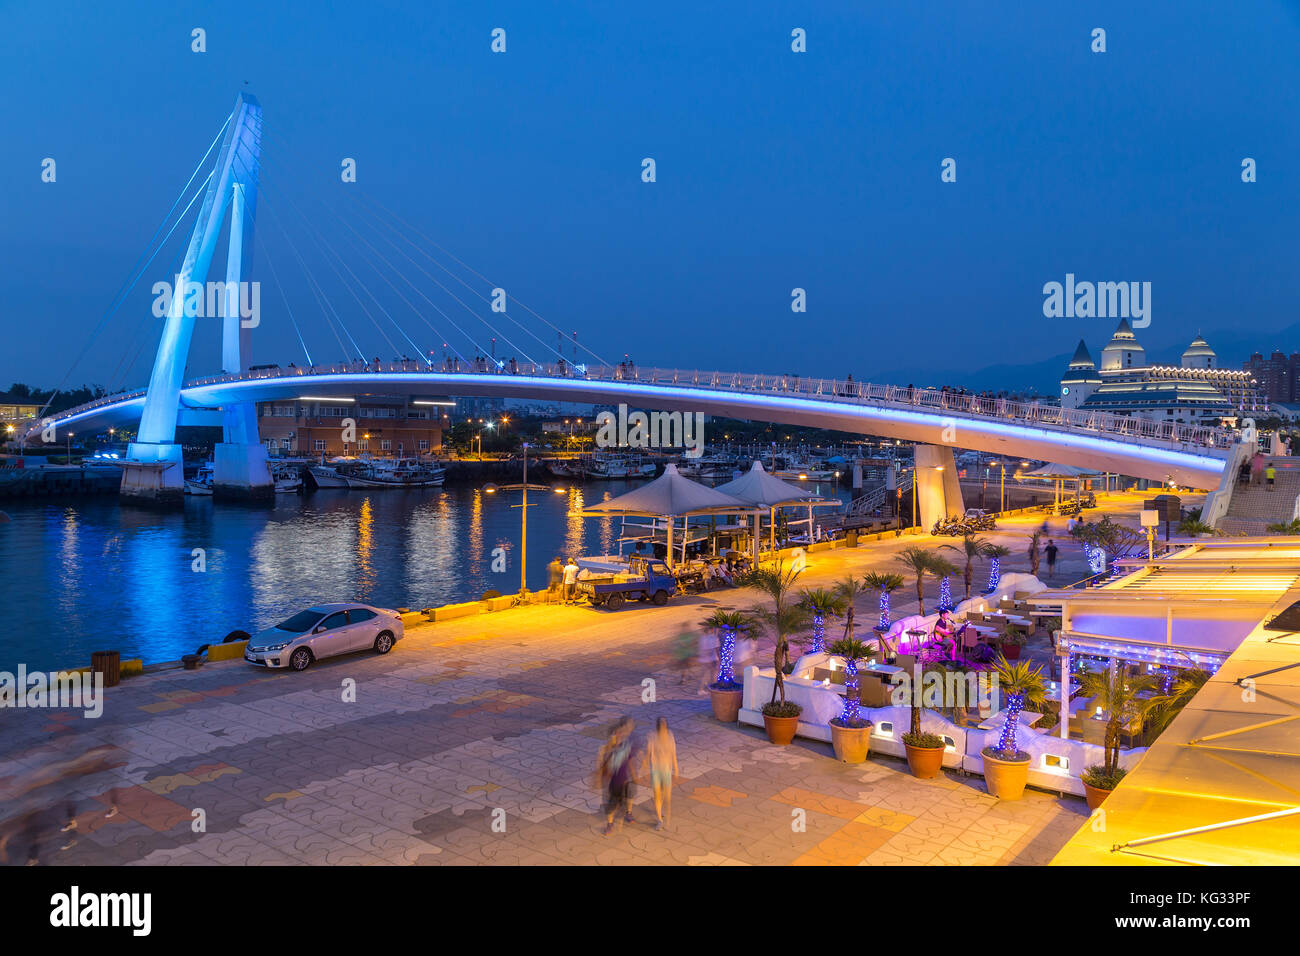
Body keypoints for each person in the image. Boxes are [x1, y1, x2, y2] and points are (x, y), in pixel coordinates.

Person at [596, 718, 638, 835]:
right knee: (611, 804)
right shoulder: (605, 749)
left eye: (620, 734)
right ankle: (610, 824)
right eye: (617, 734)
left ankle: (627, 814)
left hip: (625, 780)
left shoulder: (626, 747)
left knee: (628, 797)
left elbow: (630, 762)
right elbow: (600, 764)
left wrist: (634, 776)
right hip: (611, 782)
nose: (619, 736)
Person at [644, 718, 678, 831]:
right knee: (657, 794)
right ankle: (659, 819)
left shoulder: (670, 736)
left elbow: (673, 753)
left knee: (666, 795)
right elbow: (648, 753)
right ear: (659, 727)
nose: (663, 726)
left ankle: (661, 812)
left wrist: (676, 768)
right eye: (661, 724)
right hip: (656, 770)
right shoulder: (653, 736)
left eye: (665, 724)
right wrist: (643, 767)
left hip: (667, 770)